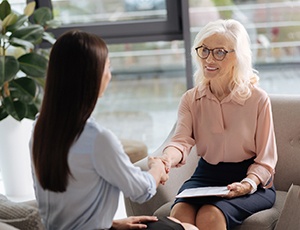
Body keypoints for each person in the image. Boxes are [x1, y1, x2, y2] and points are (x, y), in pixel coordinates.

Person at [29, 30, 197, 230]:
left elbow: (67, 203)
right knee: (188, 228)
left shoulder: (39, 128)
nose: (109, 74)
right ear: (92, 76)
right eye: (107, 66)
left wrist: (112, 224)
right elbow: (141, 190)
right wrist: (157, 169)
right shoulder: (97, 139)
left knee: (172, 223)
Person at [158, 19, 278, 230]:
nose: (208, 59)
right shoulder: (191, 99)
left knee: (210, 215)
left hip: (250, 178)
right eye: (204, 50)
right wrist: (166, 159)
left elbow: (266, 160)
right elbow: (181, 141)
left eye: (219, 52)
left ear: (238, 57)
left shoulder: (258, 100)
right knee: (179, 214)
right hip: (206, 175)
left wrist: (249, 183)